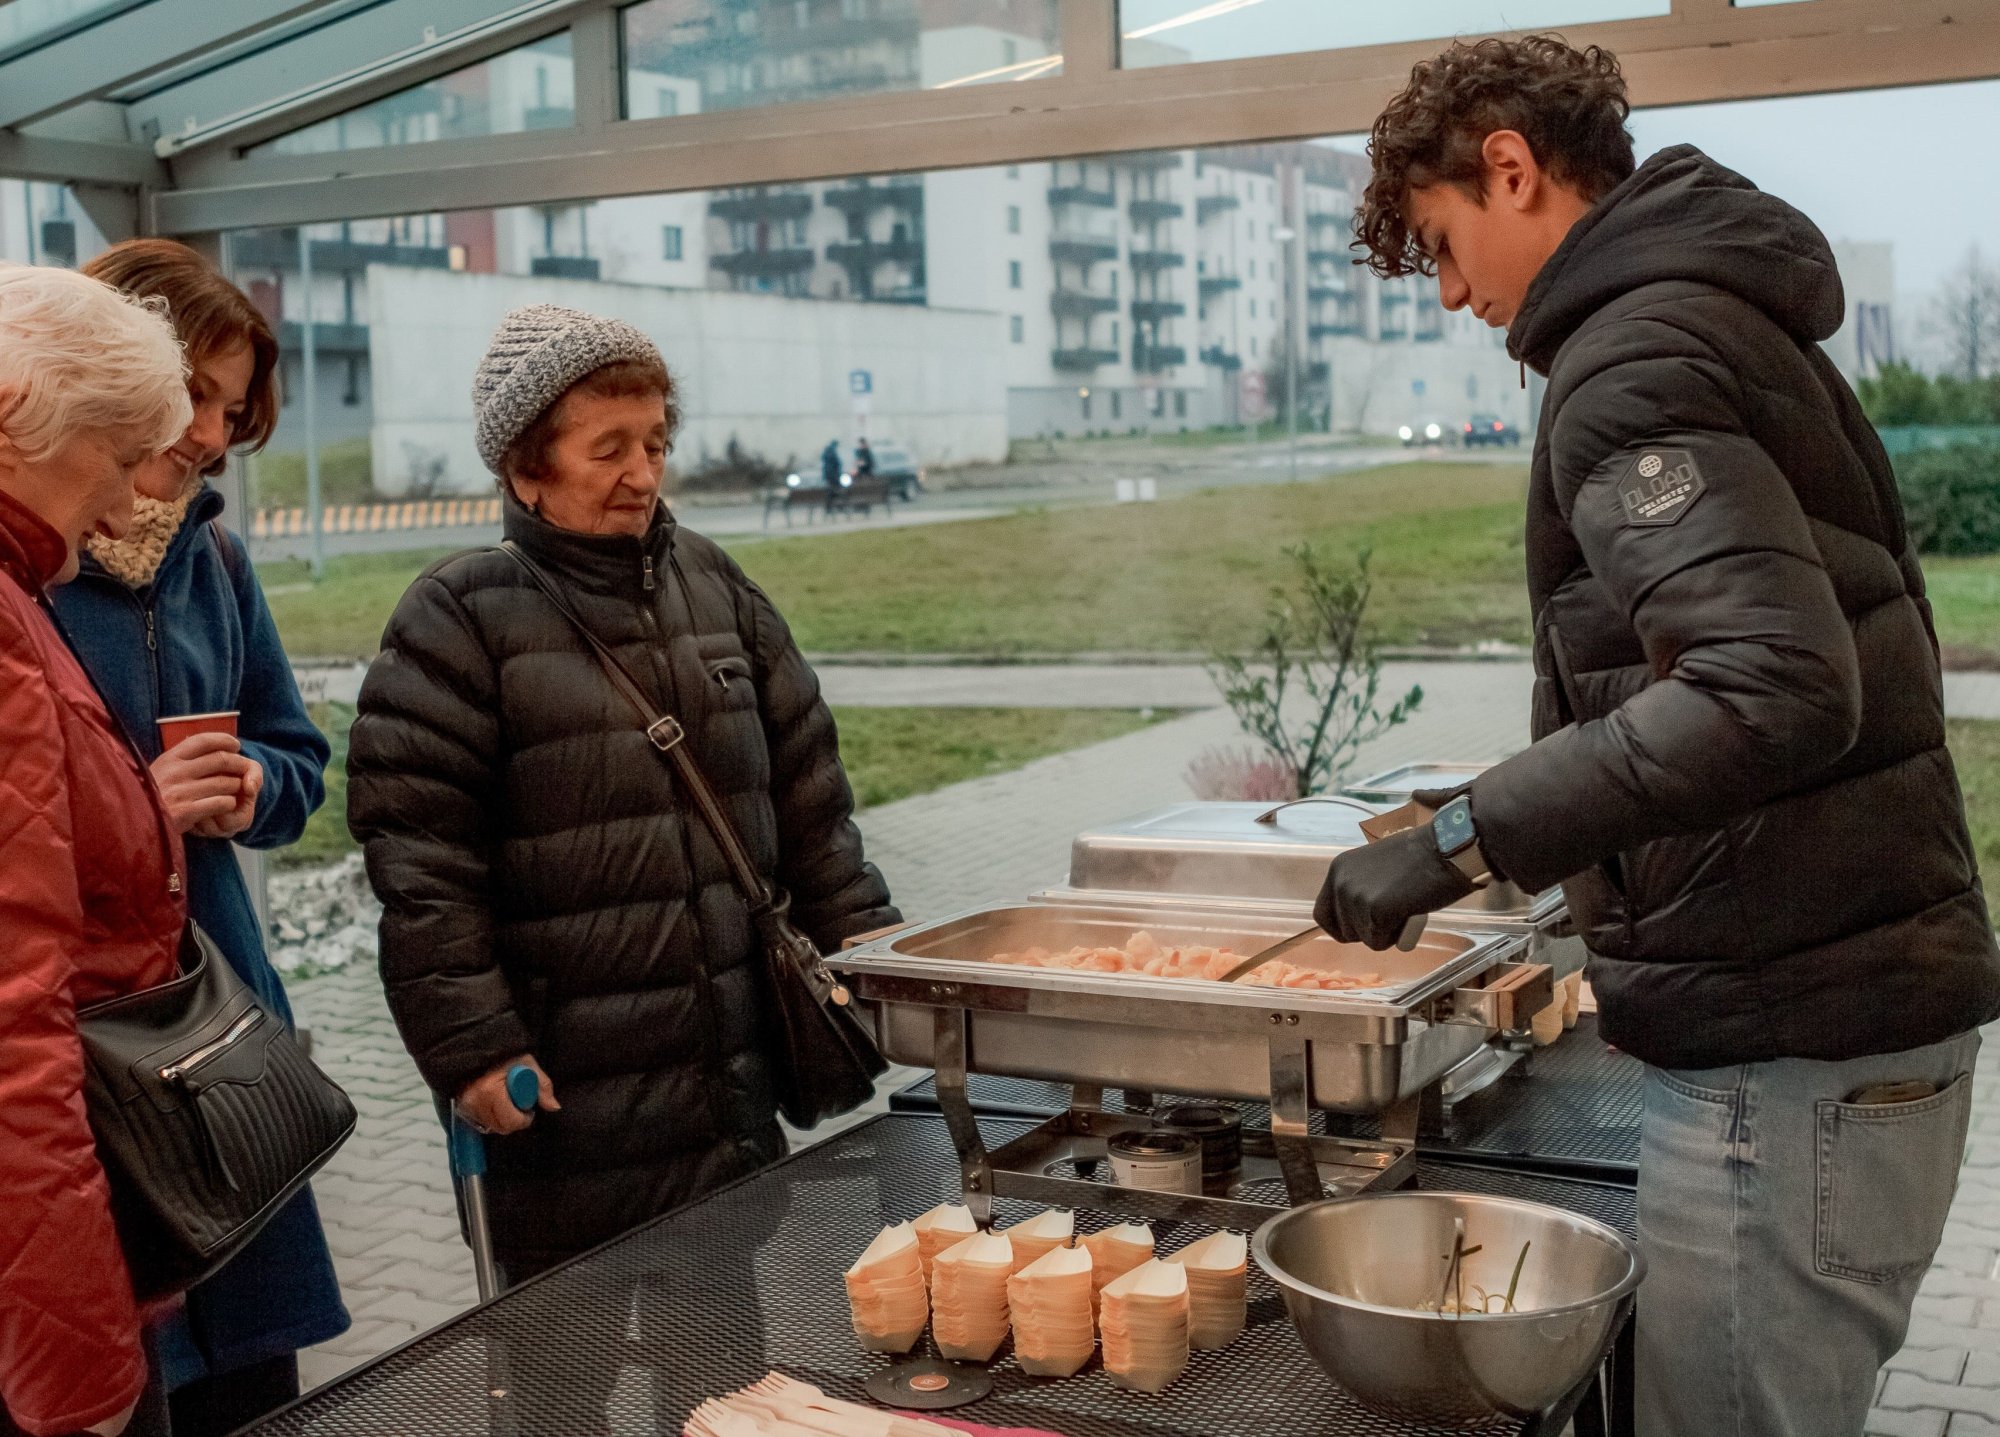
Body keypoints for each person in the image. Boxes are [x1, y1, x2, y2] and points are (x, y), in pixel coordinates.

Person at [1321, 36, 2000, 1437]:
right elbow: (1738, 675)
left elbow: (1772, 687)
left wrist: (1463, 839)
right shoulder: (1707, 311)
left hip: (1786, 1046)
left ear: (1510, 166)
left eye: (1445, 244)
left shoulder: (1635, 350)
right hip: (1835, 1014)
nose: (1452, 293)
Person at [347, 303, 899, 1285]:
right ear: (526, 468)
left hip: (725, 1087)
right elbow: (422, 865)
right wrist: (474, 1046)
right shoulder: (458, 620)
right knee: (562, 1386)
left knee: (722, 1374)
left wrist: (871, 946)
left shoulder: (715, 588)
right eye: (607, 450)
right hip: (559, 1111)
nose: (643, 473)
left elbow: (808, 793)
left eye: (654, 442)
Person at [51, 240, 348, 1436]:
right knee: (133, 1376)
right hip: (89, 1047)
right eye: (201, 398)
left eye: (235, 408)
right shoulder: (33, 577)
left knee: (250, 1380)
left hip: (213, 1028)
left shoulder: (213, 557)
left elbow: (298, 757)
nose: (215, 434)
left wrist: (246, 791)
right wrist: (137, 808)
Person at [0, 263, 194, 1437]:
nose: (128, 509)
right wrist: (80, 1375)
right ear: (23, 418)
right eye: (123, 462)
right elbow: (14, 1023)